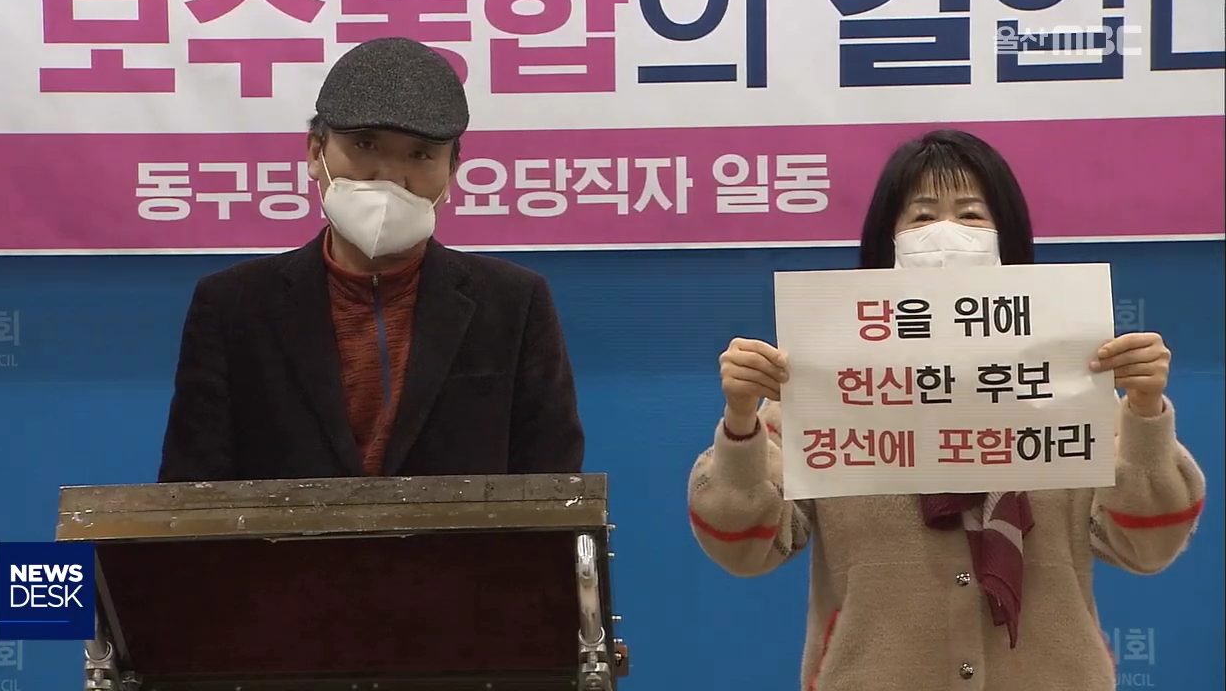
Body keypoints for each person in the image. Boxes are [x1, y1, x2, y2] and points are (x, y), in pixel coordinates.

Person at [687, 130, 1206, 690]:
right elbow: (745, 547)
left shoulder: (1067, 387)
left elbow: (1147, 545)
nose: (946, 232)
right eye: (922, 216)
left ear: (1009, 237)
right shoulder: (830, 384)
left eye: (971, 214)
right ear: (886, 241)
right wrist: (742, 422)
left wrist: (1145, 412)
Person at [158, 37, 585, 482]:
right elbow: (190, 491)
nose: (390, 176)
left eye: (420, 154)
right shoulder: (232, 306)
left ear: (451, 172)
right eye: (365, 145)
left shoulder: (514, 303)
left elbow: (554, 485)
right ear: (315, 152)